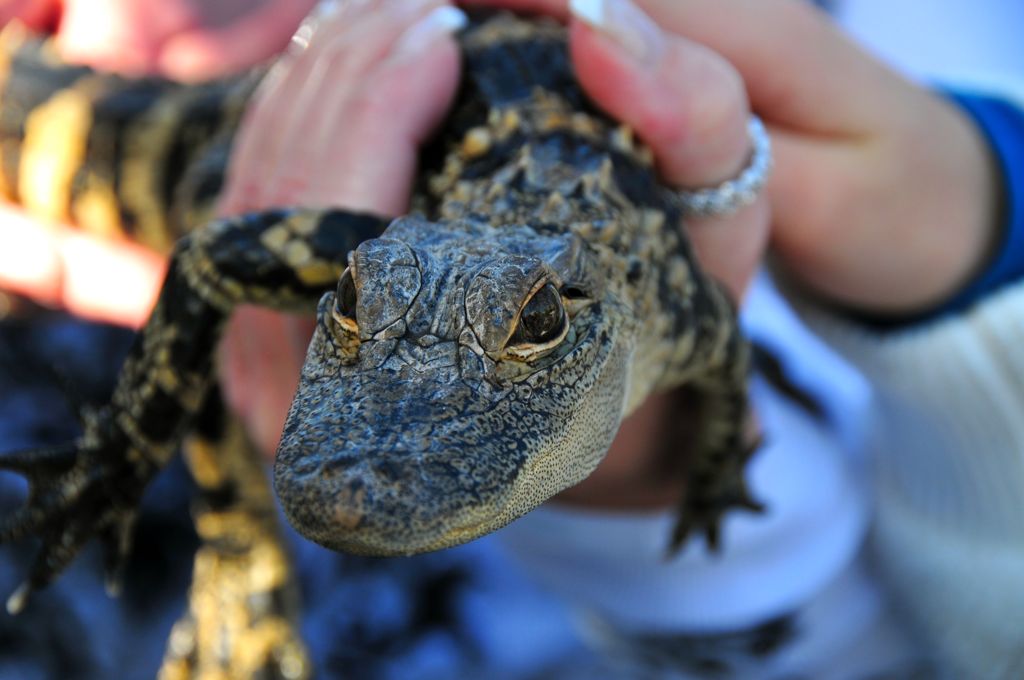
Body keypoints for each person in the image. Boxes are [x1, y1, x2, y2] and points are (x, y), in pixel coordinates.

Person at [2, 0, 1023, 677]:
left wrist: (683, 480)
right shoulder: (386, 247)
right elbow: (217, 263)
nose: (356, 479)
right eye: (359, 309)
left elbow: (712, 363)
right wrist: (169, 487)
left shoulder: (917, 41)